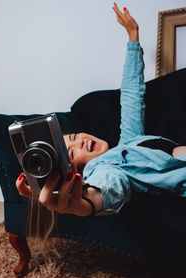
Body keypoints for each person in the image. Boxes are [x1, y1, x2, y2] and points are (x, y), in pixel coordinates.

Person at [16, 2, 186, 219]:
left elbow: (132, 97)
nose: (80, 142)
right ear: (73, 173)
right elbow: (102, 190)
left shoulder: (128, 144)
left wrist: (133, 36)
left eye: (75, 137)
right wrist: (80, 204)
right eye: (72, 152)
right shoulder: (104, 169)